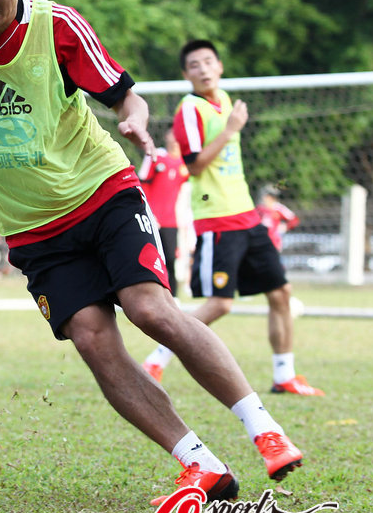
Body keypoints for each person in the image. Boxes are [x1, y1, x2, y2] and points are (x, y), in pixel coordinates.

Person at [0, 0, 305, 504]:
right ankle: (199, 462)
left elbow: (124, 93)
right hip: (31, 229)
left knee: (150, 309)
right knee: (93, 338)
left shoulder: (58, 28)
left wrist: (134, 117)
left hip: (102, 193)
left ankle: (265, 430)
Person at [141, 40, 324, 397]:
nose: (204, 69)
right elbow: (194, 164)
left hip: (248, 216)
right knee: (221, 303)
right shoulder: (189, 109)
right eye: (195, 65)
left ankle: (284, 375)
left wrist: (231, 125)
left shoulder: (225, 100)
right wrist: (230, 130)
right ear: (185, 74)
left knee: (281, 293)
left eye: (209, 62)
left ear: (220, 66)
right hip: (217, 218)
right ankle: (156, 360)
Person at [137, 129, 189, 295]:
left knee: (171, 259)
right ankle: (146, 293)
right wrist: (148, 212)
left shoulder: (185, 165)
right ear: (166, 137)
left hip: (171, 221)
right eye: (172, 135)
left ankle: (173, 296)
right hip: (152, 218)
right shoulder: (156, 156)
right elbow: (142, 182)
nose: (174, 139)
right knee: (148, 257)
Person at [256, 184, 300, 251]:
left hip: (274, 242)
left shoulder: (278, 208)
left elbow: (294, 220)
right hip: (260, 241)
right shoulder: (260, 209)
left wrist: (285, 227)